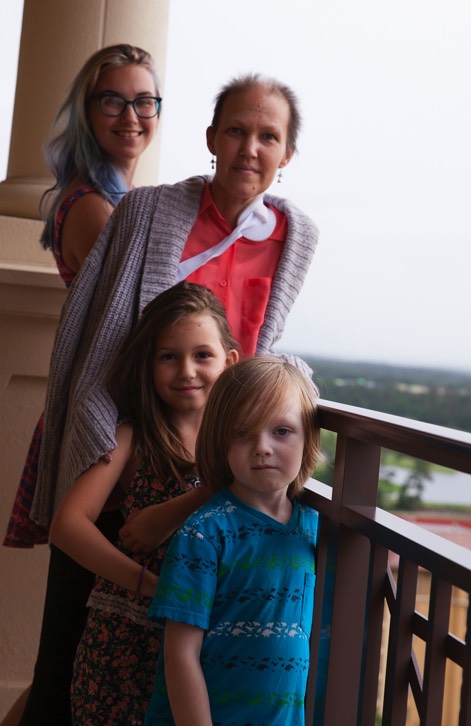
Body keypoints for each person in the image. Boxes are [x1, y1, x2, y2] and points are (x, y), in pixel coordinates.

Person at [30, 73, 320, 558]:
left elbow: (257, 354)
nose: (250, 149)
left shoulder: (295, 238)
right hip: (126, 446)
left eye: (268, 136)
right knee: (87, 611)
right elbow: (95, 335)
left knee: (191, 615)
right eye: (235, 131)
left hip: (213, 456)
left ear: (286, 153)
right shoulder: (145, 210)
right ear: (212, 137)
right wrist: (103, 435)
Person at [2, 43, 161, 726]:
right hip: (101, 430)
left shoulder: (113, 200)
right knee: (70, 641)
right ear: (86, 111)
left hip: (99, 424)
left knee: (67, 641)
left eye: (145, 100)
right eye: (114, 100)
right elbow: (139, 330)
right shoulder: (96, 208)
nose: (132, 115)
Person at [48, 282, 238, 726]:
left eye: (202, 355)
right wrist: (151, 586)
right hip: (124, 641)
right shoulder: (131, 438)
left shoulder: (243, 444)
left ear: (230, 362)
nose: (187, 371)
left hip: (210, 646)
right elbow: (67, 526)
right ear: (149, 365)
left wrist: (185, 504)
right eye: (168, 357)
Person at [142, 356, 321, 726]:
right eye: (243, 434)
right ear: (220, 441)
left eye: (282, 431)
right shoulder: (205, 532)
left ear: (308, 437)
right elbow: (180, 654)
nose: (262, 448)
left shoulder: (313, 529)